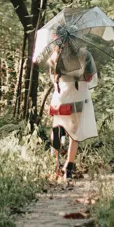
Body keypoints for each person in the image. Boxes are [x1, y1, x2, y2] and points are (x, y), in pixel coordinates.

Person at [46, 41, 98, 180]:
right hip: (78, 98)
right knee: (74, 133)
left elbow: (53, 78)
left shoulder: (54, 56)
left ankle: (57, 165)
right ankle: (69, 166)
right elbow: (89, 77)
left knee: (57, 129)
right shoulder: (85, 54)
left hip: (60, 98)